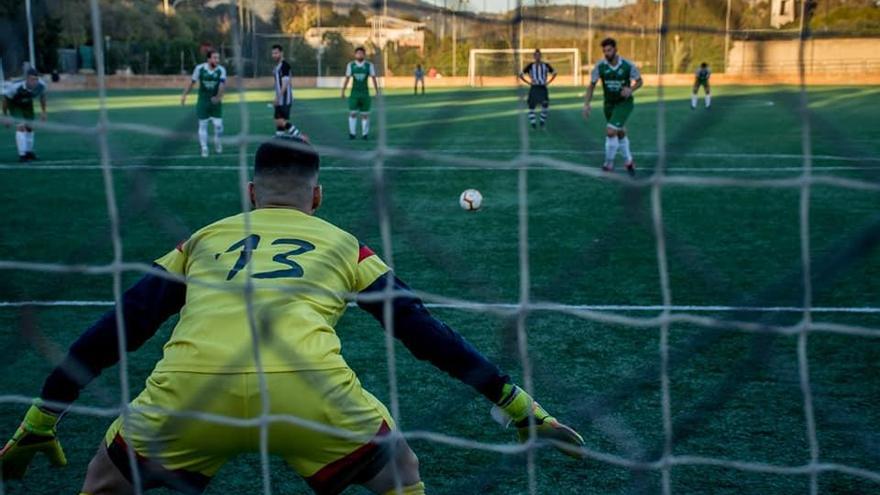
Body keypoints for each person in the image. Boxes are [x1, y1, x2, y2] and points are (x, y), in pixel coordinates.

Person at [0, 136, 585, 495]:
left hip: (190, 391)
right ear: (318, 197)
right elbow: (427, 335)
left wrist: (40, 418)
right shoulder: (345, 244)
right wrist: (518, 407)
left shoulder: (203, 239)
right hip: (311, 392)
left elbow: (118, 328)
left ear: (251, 193)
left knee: (104, 482)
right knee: (401, 471)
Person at [583, 38, 643, 176]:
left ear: (616, 50)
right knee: (620, 132)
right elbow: (591, 86)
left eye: (609, 50)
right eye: (604, 51)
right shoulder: (600, 66)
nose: (606, 53)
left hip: (624, 104)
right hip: (609, 105)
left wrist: (630, 89)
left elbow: (639, 81)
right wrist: (586, 104)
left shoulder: (628, 65)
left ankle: (608, 164)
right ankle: (629, 161)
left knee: (610, 131)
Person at [181, 50, 226, 157]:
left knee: (219, 126)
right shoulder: (199, 68)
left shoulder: (221, 70)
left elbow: (222, 85)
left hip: (215, 103)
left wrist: (218, 97)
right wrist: (184, 95)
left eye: (218, 58)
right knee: (203, 125)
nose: (217, 60)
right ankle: (204, 148)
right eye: (215, 58)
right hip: (203, 102)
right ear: (209, 59)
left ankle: (218, 143)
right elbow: (192, 83)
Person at [2, 68, 47, 162]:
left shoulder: (41, 86)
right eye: (32, 79)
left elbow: (42, 97)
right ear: (26, 79)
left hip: (27, 104)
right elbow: (5, 100)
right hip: (14, 104)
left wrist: (43, 112)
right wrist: (5, 115)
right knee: (21, 126)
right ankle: (22, 155)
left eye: (36, 79)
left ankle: (29, 152)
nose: (34, 81)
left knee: (30, 127)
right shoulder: (15, 87)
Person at [341, 47, 379, 140]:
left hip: (365, 94)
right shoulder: (351, 65)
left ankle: (365, 134)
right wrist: (343, 91)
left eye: (361, 53)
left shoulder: (369, 65)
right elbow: (347, 78)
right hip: (354, 94)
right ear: (355, 55)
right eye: (358, 53)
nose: (359, 55)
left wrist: (377, 91)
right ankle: (352, 134)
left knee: (365, 115)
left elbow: (373, 78)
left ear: (364, 55)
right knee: (352, 114)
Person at [519, 49, 557, 129]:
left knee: (545, 105)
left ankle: (542, 122)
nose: (537, 57)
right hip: (534, 87)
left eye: (539, 55)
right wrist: (528, 82)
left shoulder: (545, 65)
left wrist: (549, 82)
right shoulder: (530, 66)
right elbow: (520, 74)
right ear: (534, 56)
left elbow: (555, 72)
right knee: (531, 106)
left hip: (543, 87)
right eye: (535, 55)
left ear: (541, 56)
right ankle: (533, 123)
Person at [270, 44, 302, 137]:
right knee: (278, 121)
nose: (274, 55)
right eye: (273, 53)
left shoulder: (285, 66)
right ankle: (279, 137)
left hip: (284, 99)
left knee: (280, 121)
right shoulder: (277, 67)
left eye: (276, 53)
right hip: (280, 98)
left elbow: (285, 84)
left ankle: (299, 136)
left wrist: (278, 97)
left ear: (281, 53)